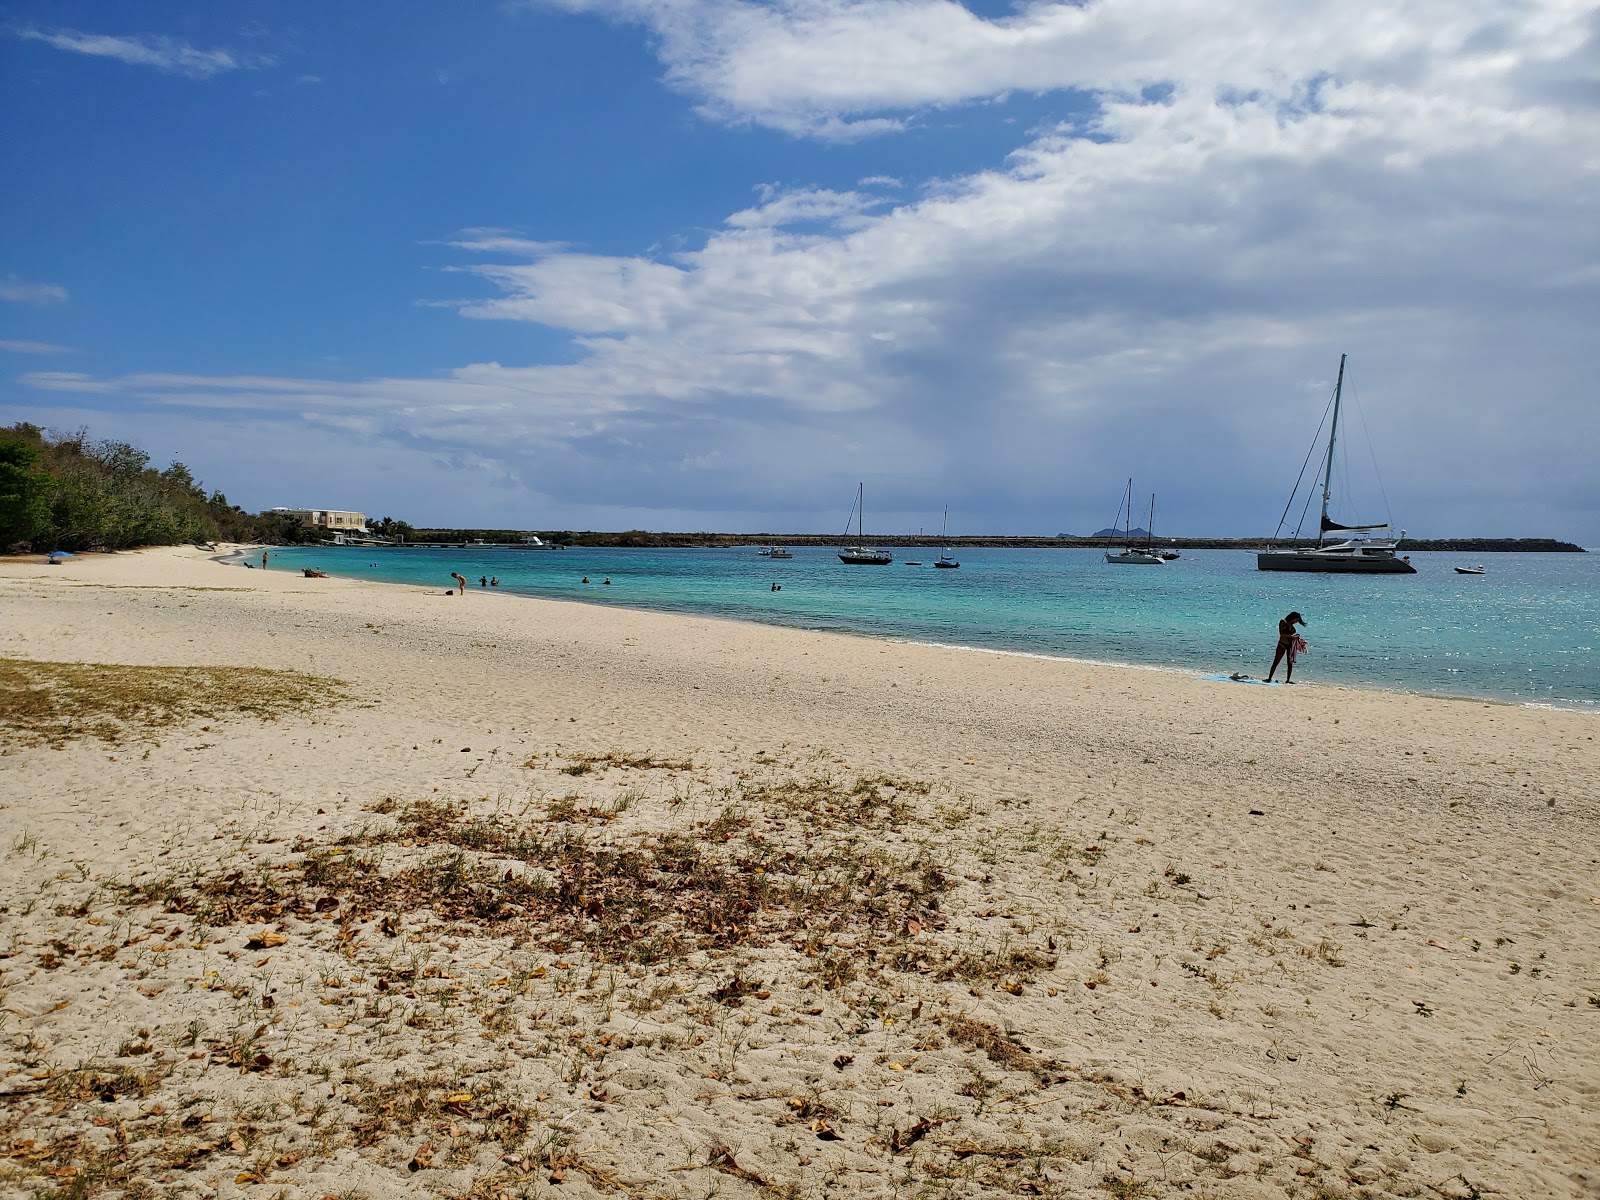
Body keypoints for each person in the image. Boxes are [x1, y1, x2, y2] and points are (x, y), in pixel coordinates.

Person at [1267, 611, 1307, 683]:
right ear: (1292, 618)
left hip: (1290, 646)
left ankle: (1288, 680)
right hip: (1282, 644)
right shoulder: (1283, 622)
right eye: (1296, 620)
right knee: (1276, 661)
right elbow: (1281, 634)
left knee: (1290, 663)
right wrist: (1291, 636)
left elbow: (1292, 637)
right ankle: (1269, 678)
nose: (1296, 622)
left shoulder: (1293, 628)